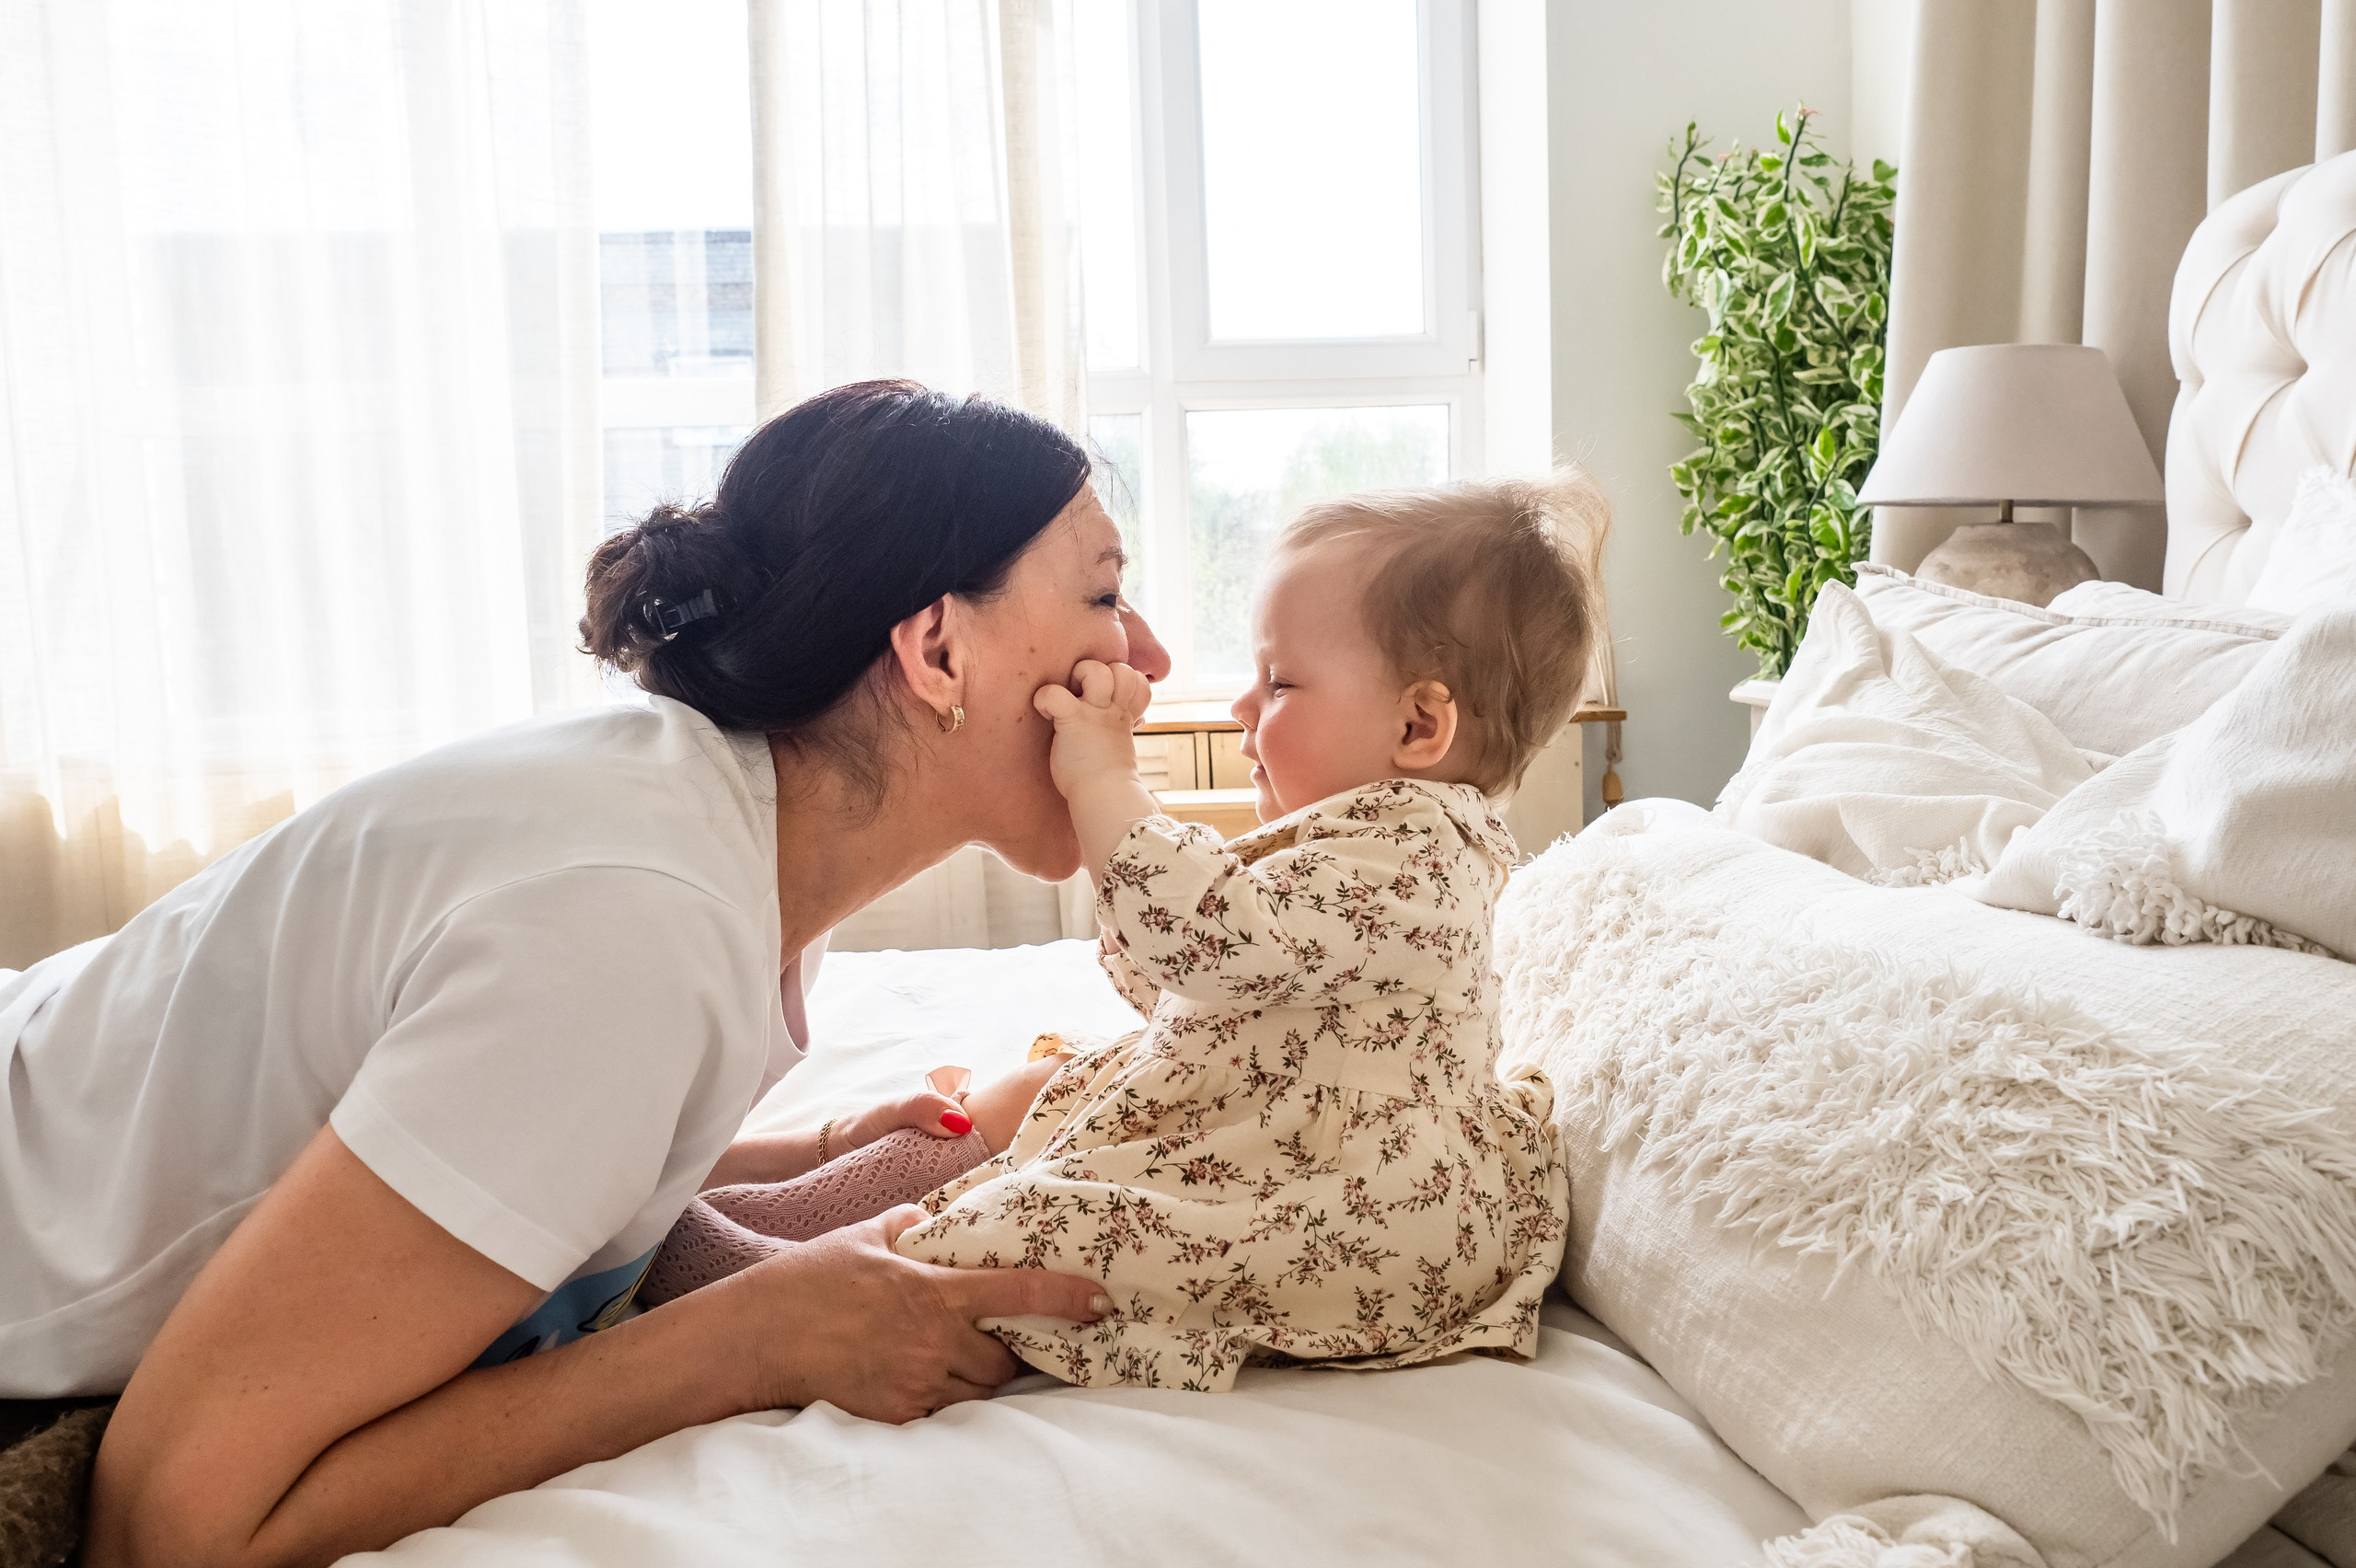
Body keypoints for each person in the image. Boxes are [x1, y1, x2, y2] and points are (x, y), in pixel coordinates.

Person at [0, 379, 1171, 1568]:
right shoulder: (637, 917)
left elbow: (492, 1148)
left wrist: (810, 1155)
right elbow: (171, 1522)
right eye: (1106, 596)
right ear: (938, 650)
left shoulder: (728, 833)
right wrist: (758, 1337)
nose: (1155, 658)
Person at [638, 471, 1611, 1394]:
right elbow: (1200, 985)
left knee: (1058, 1216)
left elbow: (1205, 944)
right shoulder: (1364, 844)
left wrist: (1107, 780)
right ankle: (766, 1221)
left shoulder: (1411, 860)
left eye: (1279, 684)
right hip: (1285, 1135)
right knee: (1054, 1102)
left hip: (1357, 1208)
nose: (1240, 705)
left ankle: (770, 1279)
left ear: (1419, 727)